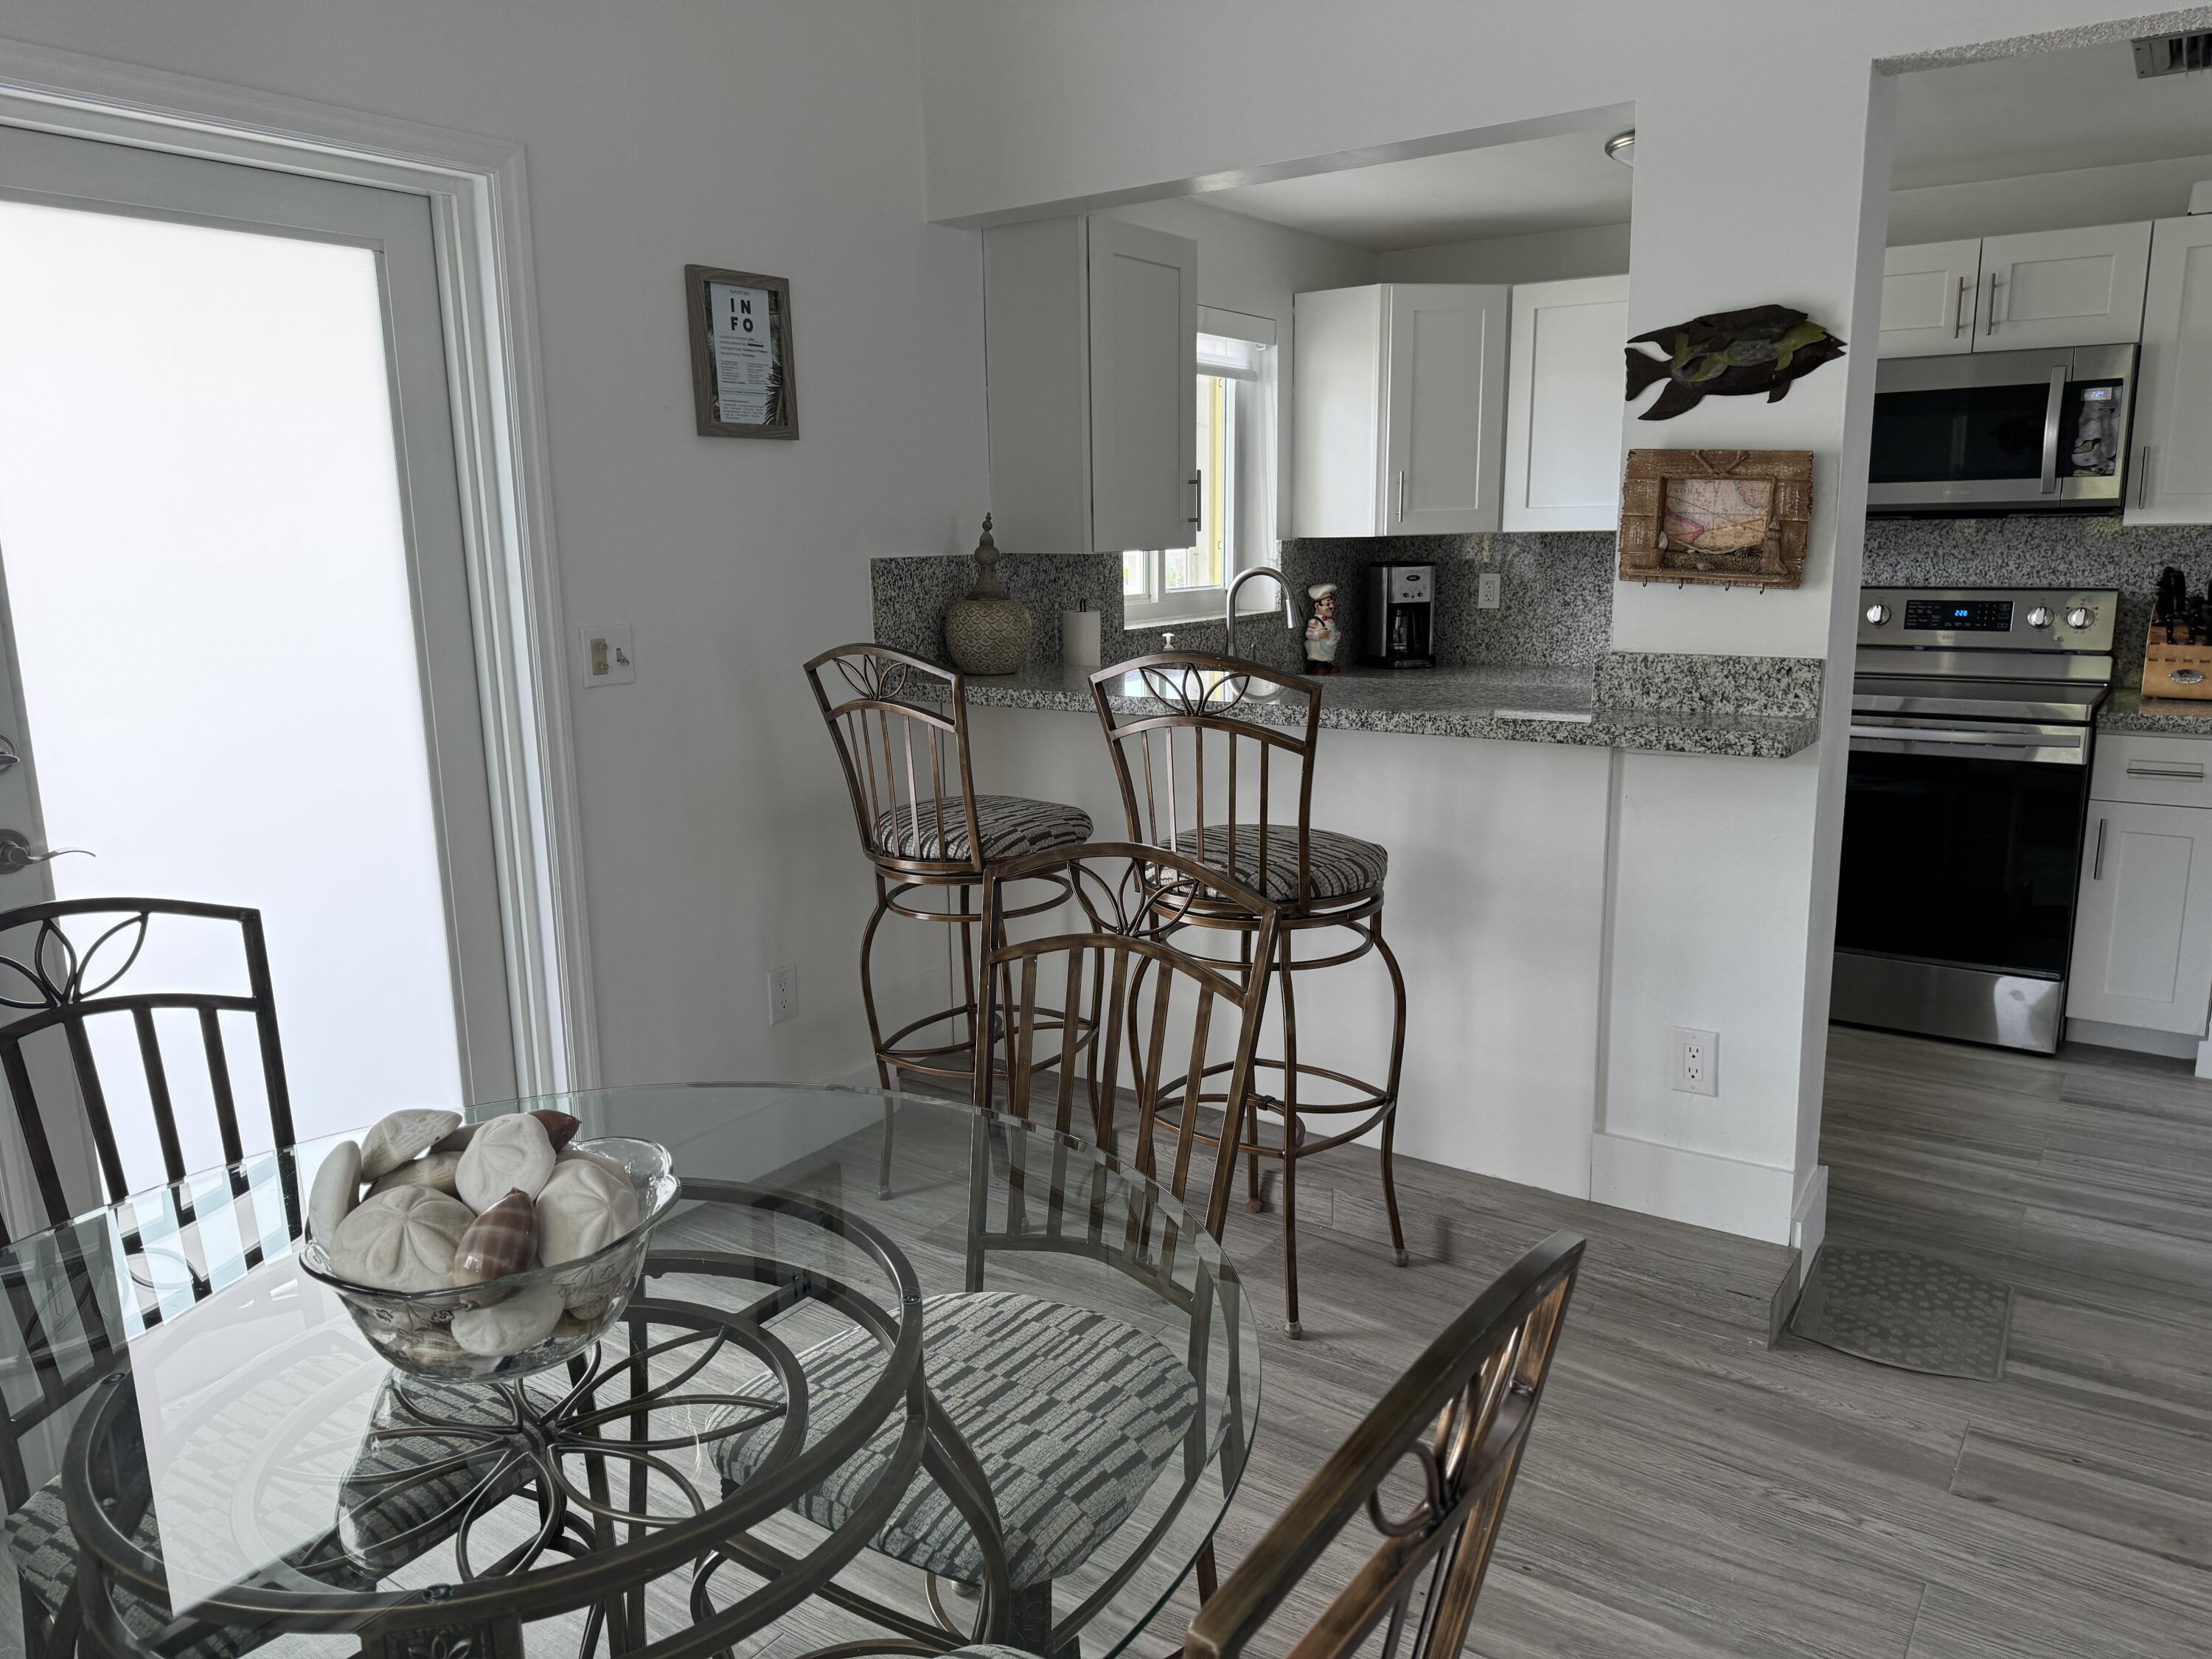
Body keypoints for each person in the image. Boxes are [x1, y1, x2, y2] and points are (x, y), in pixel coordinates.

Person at [1303, 582, 1341, 675]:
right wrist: (1318, 634)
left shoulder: (1329, 620)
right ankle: (1319, 666)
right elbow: (1309, 634)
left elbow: (1331, 630)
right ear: (1317, 606)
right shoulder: (1315, 621)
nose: (1332, 607)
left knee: (1327, 656)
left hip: (1328, 646)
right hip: (1319, 648)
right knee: (1321, 657)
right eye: (1328, 605)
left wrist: (1336, 634)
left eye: (1332, 604)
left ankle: (1327, 665)